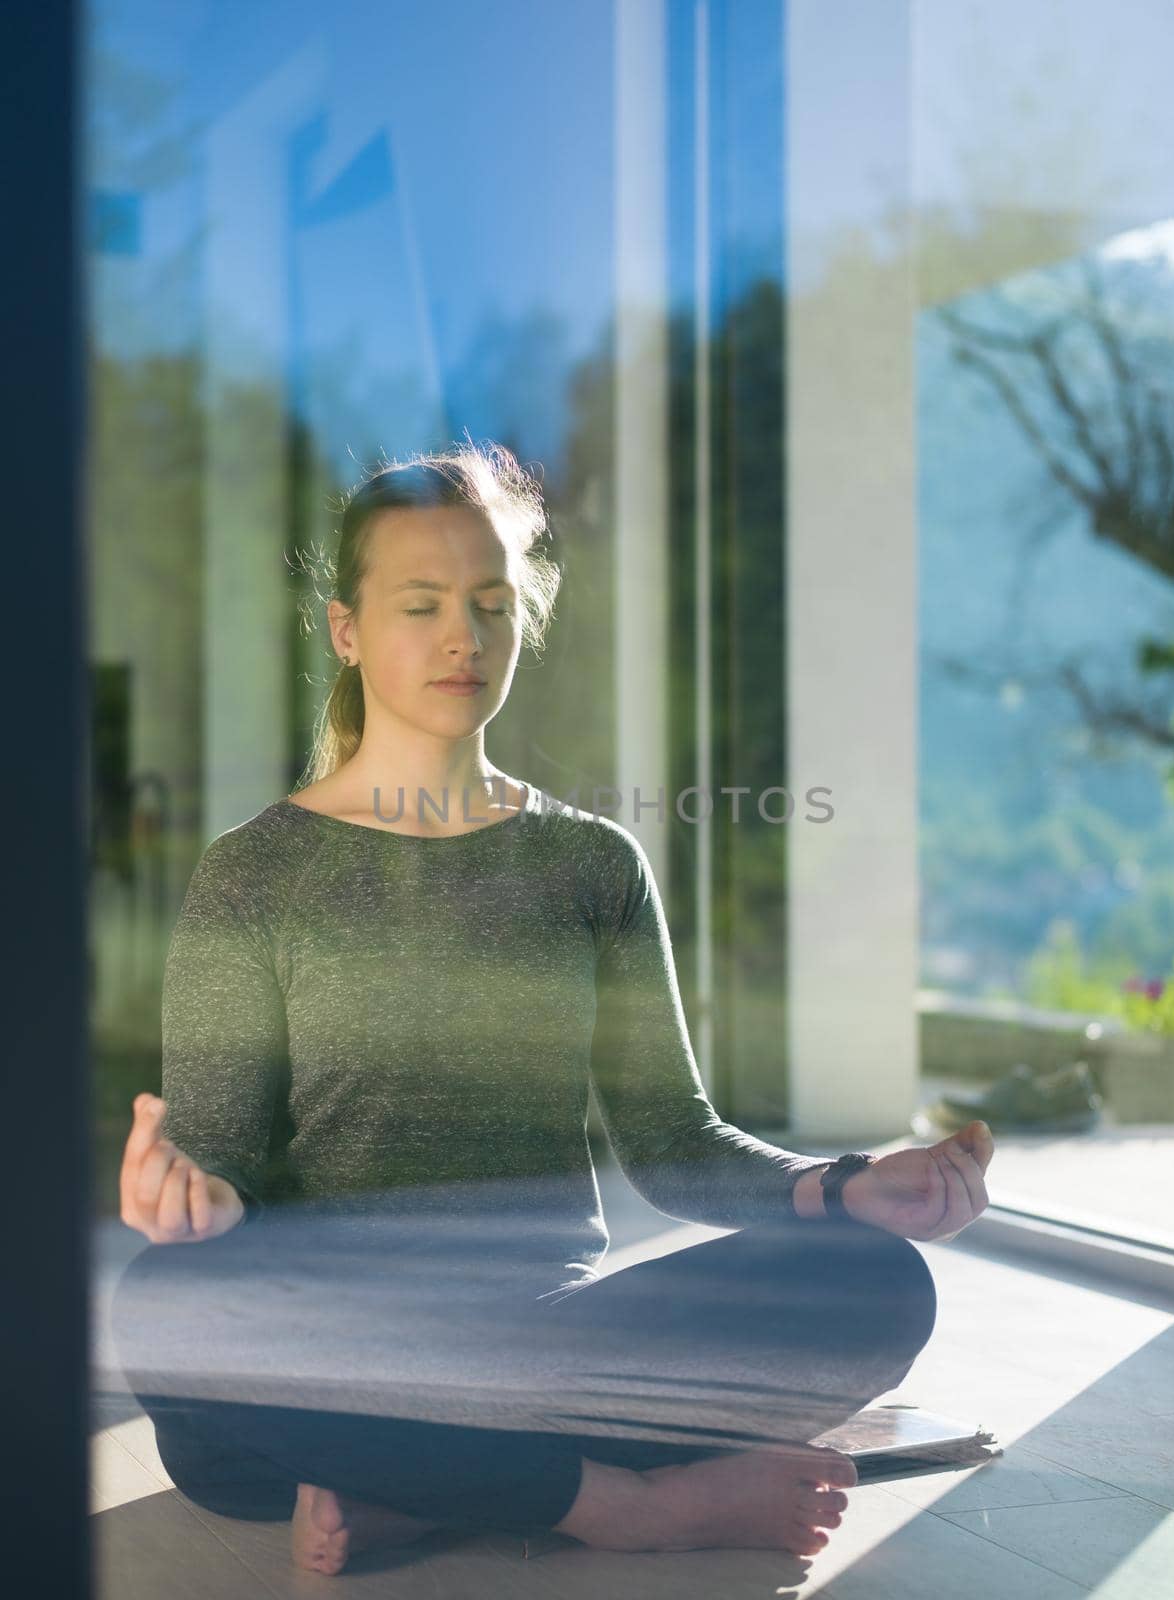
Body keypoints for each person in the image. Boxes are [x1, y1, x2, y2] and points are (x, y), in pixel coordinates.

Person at [110, 441, 993, 1578]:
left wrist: (841, 1184)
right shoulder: (254, 875)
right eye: (420, 604)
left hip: (546, 1344)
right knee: (166, 1299)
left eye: (490, 603)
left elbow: (674, 1142)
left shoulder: (590, 863)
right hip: (338, 1349)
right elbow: (221, 1163)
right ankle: (620, 1504)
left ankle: (419, 1494)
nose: (461, 638)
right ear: (345, 629)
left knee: (875, 1276)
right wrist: (189, 1201)